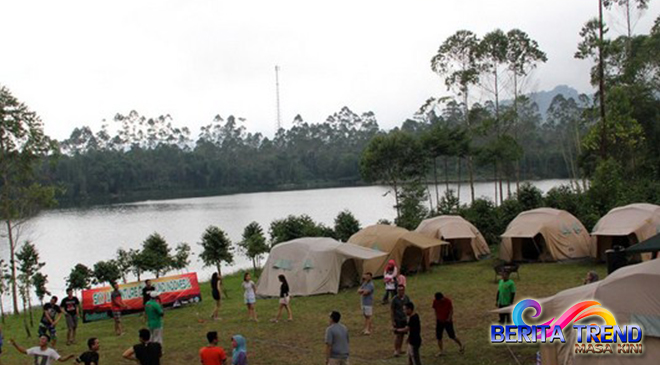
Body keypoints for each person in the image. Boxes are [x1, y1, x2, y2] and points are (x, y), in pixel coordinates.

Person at [432, 292, 464, 357]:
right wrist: (437, 317)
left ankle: (461, 345)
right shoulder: (435, 301)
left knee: (452, 335)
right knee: (439, 337)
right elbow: (435, 309)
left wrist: (449, 318)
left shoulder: (448, 301)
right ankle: (441, 351)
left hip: (447, 321)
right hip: (439, 321)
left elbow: (451, 310)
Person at [10, 335, 75, 364]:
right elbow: (24, 351)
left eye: (43, 339)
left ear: (47, 342)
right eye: (40, 339)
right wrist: (15, 344)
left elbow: (61, 359)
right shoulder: (35, 349)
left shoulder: (51, 351)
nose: (41, 340)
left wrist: (69, 356)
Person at [390, 285, 410, 357]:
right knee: (398, 335)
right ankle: (396, 350)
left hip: (404, 319)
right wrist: (393, 321)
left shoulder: (406, 298)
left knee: (403, 334)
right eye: (399, 290)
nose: (400, 291)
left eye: (402, 290)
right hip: (397, 319)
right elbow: (392, 310)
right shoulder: (394, 299)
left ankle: (400, 349)